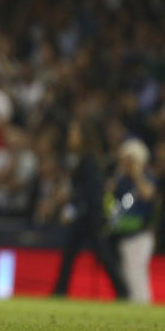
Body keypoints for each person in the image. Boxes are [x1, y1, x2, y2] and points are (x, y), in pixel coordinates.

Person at [52, 119, 128, 299]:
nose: (70, 137)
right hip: (88, 214)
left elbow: (90, 190)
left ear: (83, 137)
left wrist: (71, 207)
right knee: (75, 251)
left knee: (99, 253)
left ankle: (123, 291)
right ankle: (60, 291)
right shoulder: (84, 159)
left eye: (74, 133)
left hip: (91, 215)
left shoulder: (88, 161)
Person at [108, 138, 158, 303]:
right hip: (124, 234)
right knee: (127, 273)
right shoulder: (122, 181)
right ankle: (133, 305)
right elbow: (111, 199)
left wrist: (138, 175)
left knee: (136, 272)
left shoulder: (147, 177)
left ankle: (142, 304)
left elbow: (147, 194)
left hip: (141, 234)